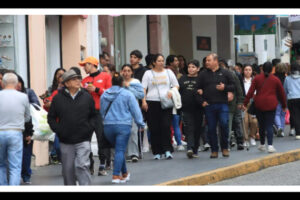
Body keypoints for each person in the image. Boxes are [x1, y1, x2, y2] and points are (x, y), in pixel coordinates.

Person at [48, 69, 98, 185]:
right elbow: (51, 118)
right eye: (74, 79)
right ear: (66, 83)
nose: (78, 81)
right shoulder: (57, 99)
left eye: (78, 78)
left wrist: (89, 128)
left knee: (82, 166)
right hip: (66, 140)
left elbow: (94, 116)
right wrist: (59, 130)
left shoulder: (87, 97)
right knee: (68, 171)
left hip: (83, 139)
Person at [100, 72, 145, 184]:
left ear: (112, 83)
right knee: (120, 150)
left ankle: (124, 174)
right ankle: (116, 176)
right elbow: (135, 110)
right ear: (122, 83)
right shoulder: (127, 94)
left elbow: (102, 112)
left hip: (108, 126)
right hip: (123, 125)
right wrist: (141, 124)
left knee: (118, 149)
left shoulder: (105, 94)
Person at [196, 53, 235, 158]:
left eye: (209, 60)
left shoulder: (226, 73)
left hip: (222, 104)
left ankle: (225, 148)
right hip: (209, 105)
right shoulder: (203, 74)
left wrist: (225, 88)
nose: (206, 62)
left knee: (224, 124)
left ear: (216, 61)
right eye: (206, 61)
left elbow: (233, 86)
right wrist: (201, 101)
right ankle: (214, 150)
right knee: (211, 128)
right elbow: (197, 89)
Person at [243, 62, 287, 153]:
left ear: (262, 69)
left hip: (259, 104)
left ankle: (262, 144)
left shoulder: (257, 78)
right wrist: (284, 105)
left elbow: (250, 92)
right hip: (271, 104)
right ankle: (270, 145)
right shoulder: (275, 79)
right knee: (269, 125)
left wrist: (245, 103)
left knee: (261, 125)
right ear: (271, 69)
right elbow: (282, 93)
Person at [142, 54, 179, 160]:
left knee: (166, 126)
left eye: (162, 60)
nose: (161, 62)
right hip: (151, 102)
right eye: (159, 61)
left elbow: (176, 85)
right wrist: (143, 101)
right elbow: (143, 88)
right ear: (154, 62)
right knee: (154, 128)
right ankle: (157, 152)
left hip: (166, 102)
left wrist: (172, 91)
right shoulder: (148, 73)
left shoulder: (168, 72)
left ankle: (167, 150)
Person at [79, 56, 112, 176]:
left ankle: (102, 165)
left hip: (100, 113)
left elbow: (110, 93)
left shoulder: (106, 76)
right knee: (85, 140)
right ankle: (90, 164)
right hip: (87, 114)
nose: (84, 68)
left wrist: (96, 89)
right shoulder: (84, 80)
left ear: (92, 64)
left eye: (85, 65)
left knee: (101, 139)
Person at [0, 73, 31, 185]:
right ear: (17, 83)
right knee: (15, 166)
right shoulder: (23, 97)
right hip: (16, 132)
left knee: (1, 165)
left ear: (3, 83)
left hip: (0, 132)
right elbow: (28, 117)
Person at [16, 74, 40, 184]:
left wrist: (23, 105)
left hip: (27, 127)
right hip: (13, 127)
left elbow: (36, 105)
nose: (17, 85)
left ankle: (26, 175)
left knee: (26, 153)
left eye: (19, 82)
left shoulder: (28, 92)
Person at [179, 59, 204, 158]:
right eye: (189, 67)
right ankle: (189, 148)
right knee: (189, 128)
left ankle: (195, 149)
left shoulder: (201, 80)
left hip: (198, 108)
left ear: (198, 69)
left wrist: (203, 92)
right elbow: (178, 90)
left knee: (197, 129)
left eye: (193, 67)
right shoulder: (182, 79)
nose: (190, 69)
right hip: (186, 108)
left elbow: (206, 91)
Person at [219, 58, 245, 151]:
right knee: (227, 124)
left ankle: (240, 141)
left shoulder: (232, 75)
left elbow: (239, 89)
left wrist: (240, 102)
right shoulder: (217, 77)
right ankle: (227, 143)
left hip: (234, 103)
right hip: (224, 104)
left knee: (237, 122)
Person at [121, 64, 145, 163]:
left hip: (133, 109)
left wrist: (128, 87)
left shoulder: (136, 82)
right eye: (124, 71)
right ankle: (124, 153)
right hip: (121, 109)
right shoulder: (118, 82)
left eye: (128, 71)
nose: (126, 73)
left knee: (133, 131)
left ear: (131, 72)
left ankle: (134, 153)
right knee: (123, 132)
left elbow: (140, 94)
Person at [166, 55, 184, 151]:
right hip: (172, 100)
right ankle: (178, 142)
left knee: (172, 123)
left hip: (169, 100)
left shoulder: (172, 72)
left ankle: (175, 142)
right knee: (175, 122)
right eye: (175, 60)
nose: (177, 62)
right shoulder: (171, 72)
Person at [241, 65, 259, 147]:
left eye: (249, 70)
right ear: (243, 71)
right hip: (244, 103)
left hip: (253, 103)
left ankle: (252, 136)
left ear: (252, 71)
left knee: (254, 121)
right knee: (245, 121)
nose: (248, 71)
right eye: (246, 70)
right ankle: (245, 139)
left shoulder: (255, 80)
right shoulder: (241, 81)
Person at [284, 62, 300, 140]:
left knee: (295, 116)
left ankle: (298, 133)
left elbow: (285, 90)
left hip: (291, 99)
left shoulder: (287, 78)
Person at [274, 63, 288, 137]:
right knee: (283, 114)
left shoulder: (273, 77)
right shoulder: (286, 78)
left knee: (276, 113)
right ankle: (281, 129)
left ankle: (279, 127)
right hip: (284, 97)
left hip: (275, 97)